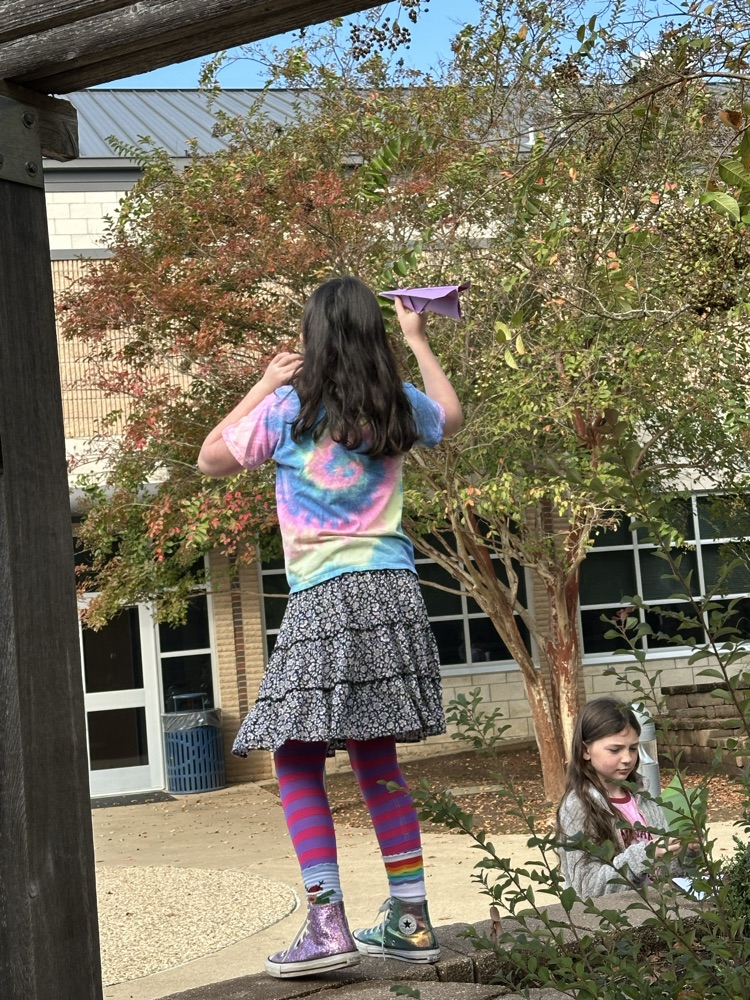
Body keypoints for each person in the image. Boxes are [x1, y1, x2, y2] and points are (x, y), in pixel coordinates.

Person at [198, 275, 462, 978]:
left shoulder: (291, 407)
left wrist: (262, 383)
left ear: (313, 337)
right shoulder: (394, 403)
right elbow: (451, 415)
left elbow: (210, 457)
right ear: (373, 333)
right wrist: (417, 340)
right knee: (376, 756)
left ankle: (326, 925)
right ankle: (410, 921)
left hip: (325, 597)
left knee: (293, 758)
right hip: (393, 593)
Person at [556, 697, 687, 900]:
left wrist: (686, 853)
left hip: (657, 912)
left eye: (633, 748)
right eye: (615, 750)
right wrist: (645, 854)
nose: (627, 758)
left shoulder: (644, 797)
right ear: (585, 750)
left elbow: (668, 874)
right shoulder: (578, 806)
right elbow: (587, 889)